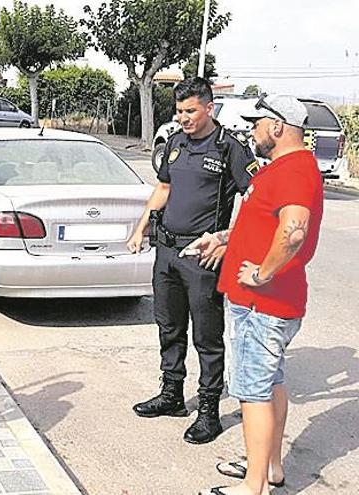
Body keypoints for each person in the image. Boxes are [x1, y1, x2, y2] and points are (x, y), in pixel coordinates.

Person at [185, 95, 323, 495]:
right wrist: (225, 239)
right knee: (271, 383)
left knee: (253, 392)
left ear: (278, 128)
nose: (252, 130)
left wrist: (262, 273)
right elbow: (265, 225)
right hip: (266, 301)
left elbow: (293, 231)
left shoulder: (293, 170)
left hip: (263, 303)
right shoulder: (284, 168)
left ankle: (254, 487)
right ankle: (270, 468)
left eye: (258, 123)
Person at [126, 77, 256, 444]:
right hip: (166, 251)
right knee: (169, 326)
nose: (183, 118)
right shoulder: (175, 142)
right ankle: (171, 396)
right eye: (179, 111)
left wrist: (229, 241)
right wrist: (140, 228)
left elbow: (255, 199)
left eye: (190, 111)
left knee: (207, 336)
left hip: (202, 259)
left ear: (209, 108)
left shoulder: (229, 148)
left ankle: (210, 411)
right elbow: (163, 189)